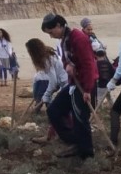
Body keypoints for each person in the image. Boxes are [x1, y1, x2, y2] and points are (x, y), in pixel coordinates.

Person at [41, 13, 98, 159]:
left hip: (85, 84)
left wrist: (87, 90)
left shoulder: (78, 38)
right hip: (74, 84)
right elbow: (67, 60)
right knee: (54, 110)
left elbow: (89, 64)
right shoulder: (64, 40)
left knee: (80, 118)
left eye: (51, 32)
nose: (51, 36)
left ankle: (86, 153)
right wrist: (68, 65)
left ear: (59, 26)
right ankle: (74, 141)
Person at [25, 38, 67, 120]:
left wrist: (46, 94)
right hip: (64, 83)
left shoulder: (46, 60)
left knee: (57, 109)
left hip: (66, 83)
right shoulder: (50, 55)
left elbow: (53, 81)